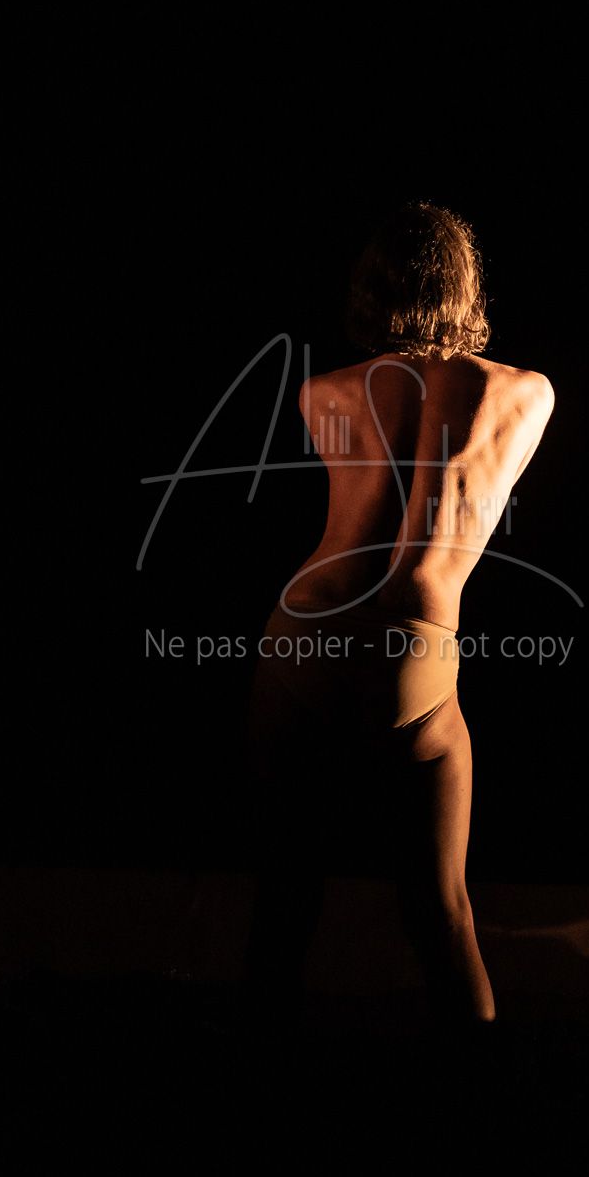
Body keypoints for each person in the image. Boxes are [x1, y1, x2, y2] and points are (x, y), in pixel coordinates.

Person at [240, 201, 555, 1039]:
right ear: (468, 285)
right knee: (443, 912)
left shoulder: (321, 392)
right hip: (412, 641)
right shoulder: (525, 392)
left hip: (302, 627)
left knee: (284, 897)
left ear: (372, 287)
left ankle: (251, 1081)